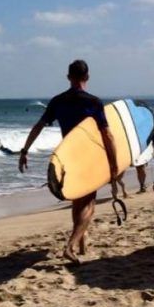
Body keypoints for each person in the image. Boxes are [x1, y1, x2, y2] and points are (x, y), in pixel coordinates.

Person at [19, 59, 118, 264]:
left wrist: (25, 150)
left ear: (68, 77)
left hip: (68, 157)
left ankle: (82, 243)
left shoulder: (58, 101)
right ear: (87, 77)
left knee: (76, 200)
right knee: (89, 204)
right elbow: (107, 135)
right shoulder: (94, 102)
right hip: (88, 157)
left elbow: (39, 126)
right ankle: (70, 246)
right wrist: (114, 163)